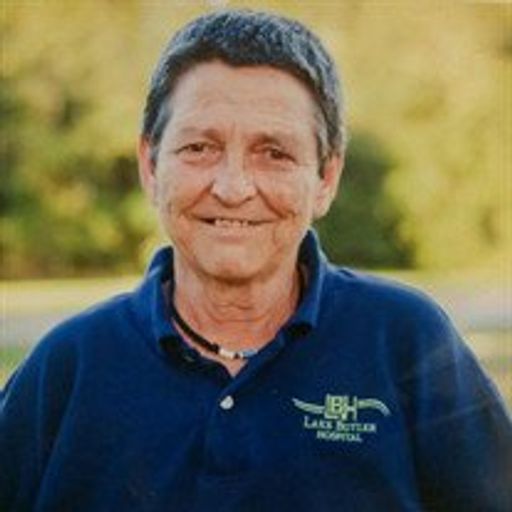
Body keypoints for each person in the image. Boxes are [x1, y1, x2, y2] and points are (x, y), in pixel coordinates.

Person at [1, 9, 511, 512]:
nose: (233, 187)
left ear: (326, 179)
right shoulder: (67, 367)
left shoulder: (405, 341)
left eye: (274, 153)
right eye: (200, 147)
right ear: (150, 167)